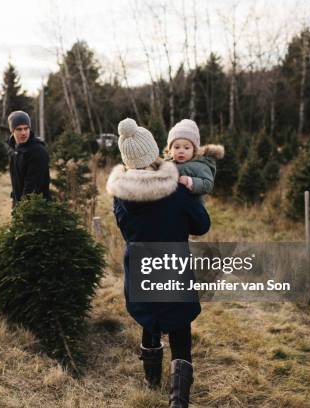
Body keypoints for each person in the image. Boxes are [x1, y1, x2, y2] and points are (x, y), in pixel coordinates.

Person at [106, 118, 211, 408]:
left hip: (141, 268)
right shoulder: (176, 190)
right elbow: (201, 225)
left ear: (128, 160)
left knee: (150, 319)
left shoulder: (120, 195)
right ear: (154, 152)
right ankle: (179, 399)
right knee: (179, 326)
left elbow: (126, 230)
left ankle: (151, 380)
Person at [165, 119, 224, 200]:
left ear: (194, 150)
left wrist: (190, 181)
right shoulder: (166, 165)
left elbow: (208, 184)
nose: (181, 151)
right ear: (170, 150)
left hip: (191, 206)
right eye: (177, 147)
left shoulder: (200, 165)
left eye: (186, 148)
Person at [6, 111, 50, 207]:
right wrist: (14, 200)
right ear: (12, 130)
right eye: (19, 129)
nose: (23, 133)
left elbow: (33, 185)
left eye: (26, 128)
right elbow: (16, 179)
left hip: (36, 207)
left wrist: (23, 208)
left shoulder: (37, 151)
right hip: (19, 204)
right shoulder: (13, 149)